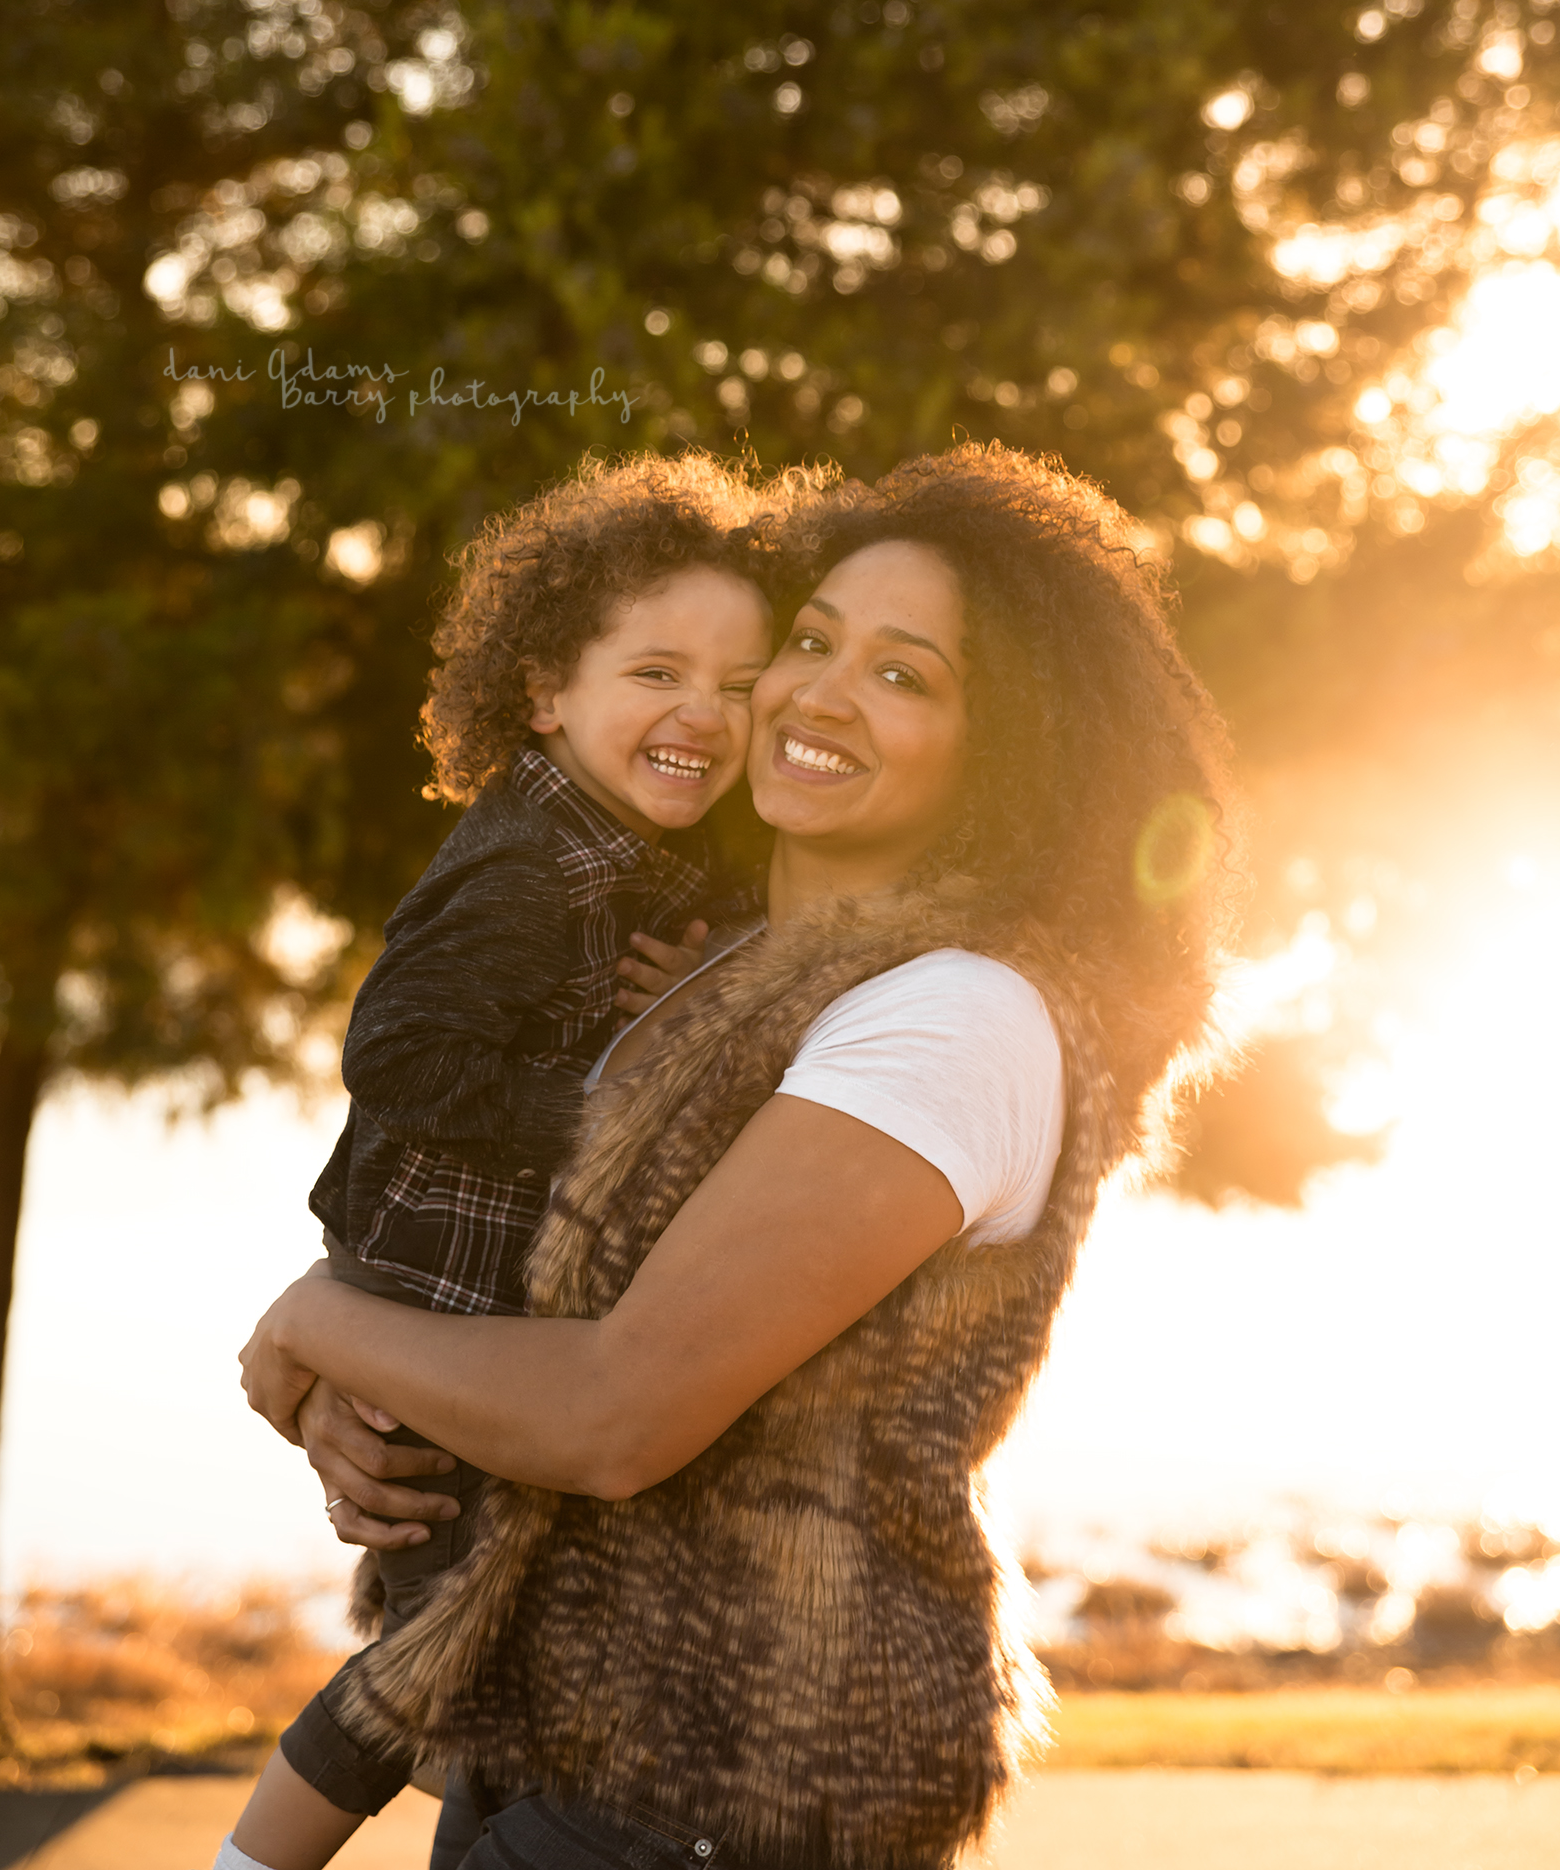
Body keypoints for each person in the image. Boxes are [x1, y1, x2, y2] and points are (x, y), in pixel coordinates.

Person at [236, 445, 1234, 1870]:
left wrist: (314, 1319)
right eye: (812, 640)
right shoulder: (736, 976)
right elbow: (526, 1280)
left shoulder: (952, 1015)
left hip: (721, 1788)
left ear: (1007, 747)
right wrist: (370, 1384)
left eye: (906, 674)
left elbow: (615, 1411)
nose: (816, 692)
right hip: (556, 1761)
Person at [229, 454, 777, 1870]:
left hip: (475, 1312)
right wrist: (619, 1101)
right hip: (439, 1303)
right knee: (459, 1657)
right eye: (657, 671)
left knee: (467, 1665)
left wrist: (702, 967)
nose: (702, 714)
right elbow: (399, 1059)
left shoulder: (635, 852)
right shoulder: (532, 863)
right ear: (547, 695)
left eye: (739, 681)